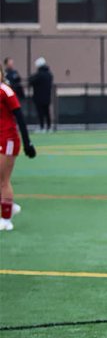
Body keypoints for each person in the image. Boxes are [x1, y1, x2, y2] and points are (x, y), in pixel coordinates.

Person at [0, 77, 37, 231]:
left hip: (7, 139)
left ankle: (6, 220)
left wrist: (27, 142)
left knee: (3, 179)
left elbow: (19, 116)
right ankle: (9, 204)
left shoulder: (5, 91)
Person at [27, 57, 53, 132]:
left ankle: (42, 127)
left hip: (38, 96)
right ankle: (49, 127)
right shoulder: (49, 74)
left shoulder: (38, 75)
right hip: (47, 96)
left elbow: (31, 81)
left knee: (40, 113)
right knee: (47, 112)